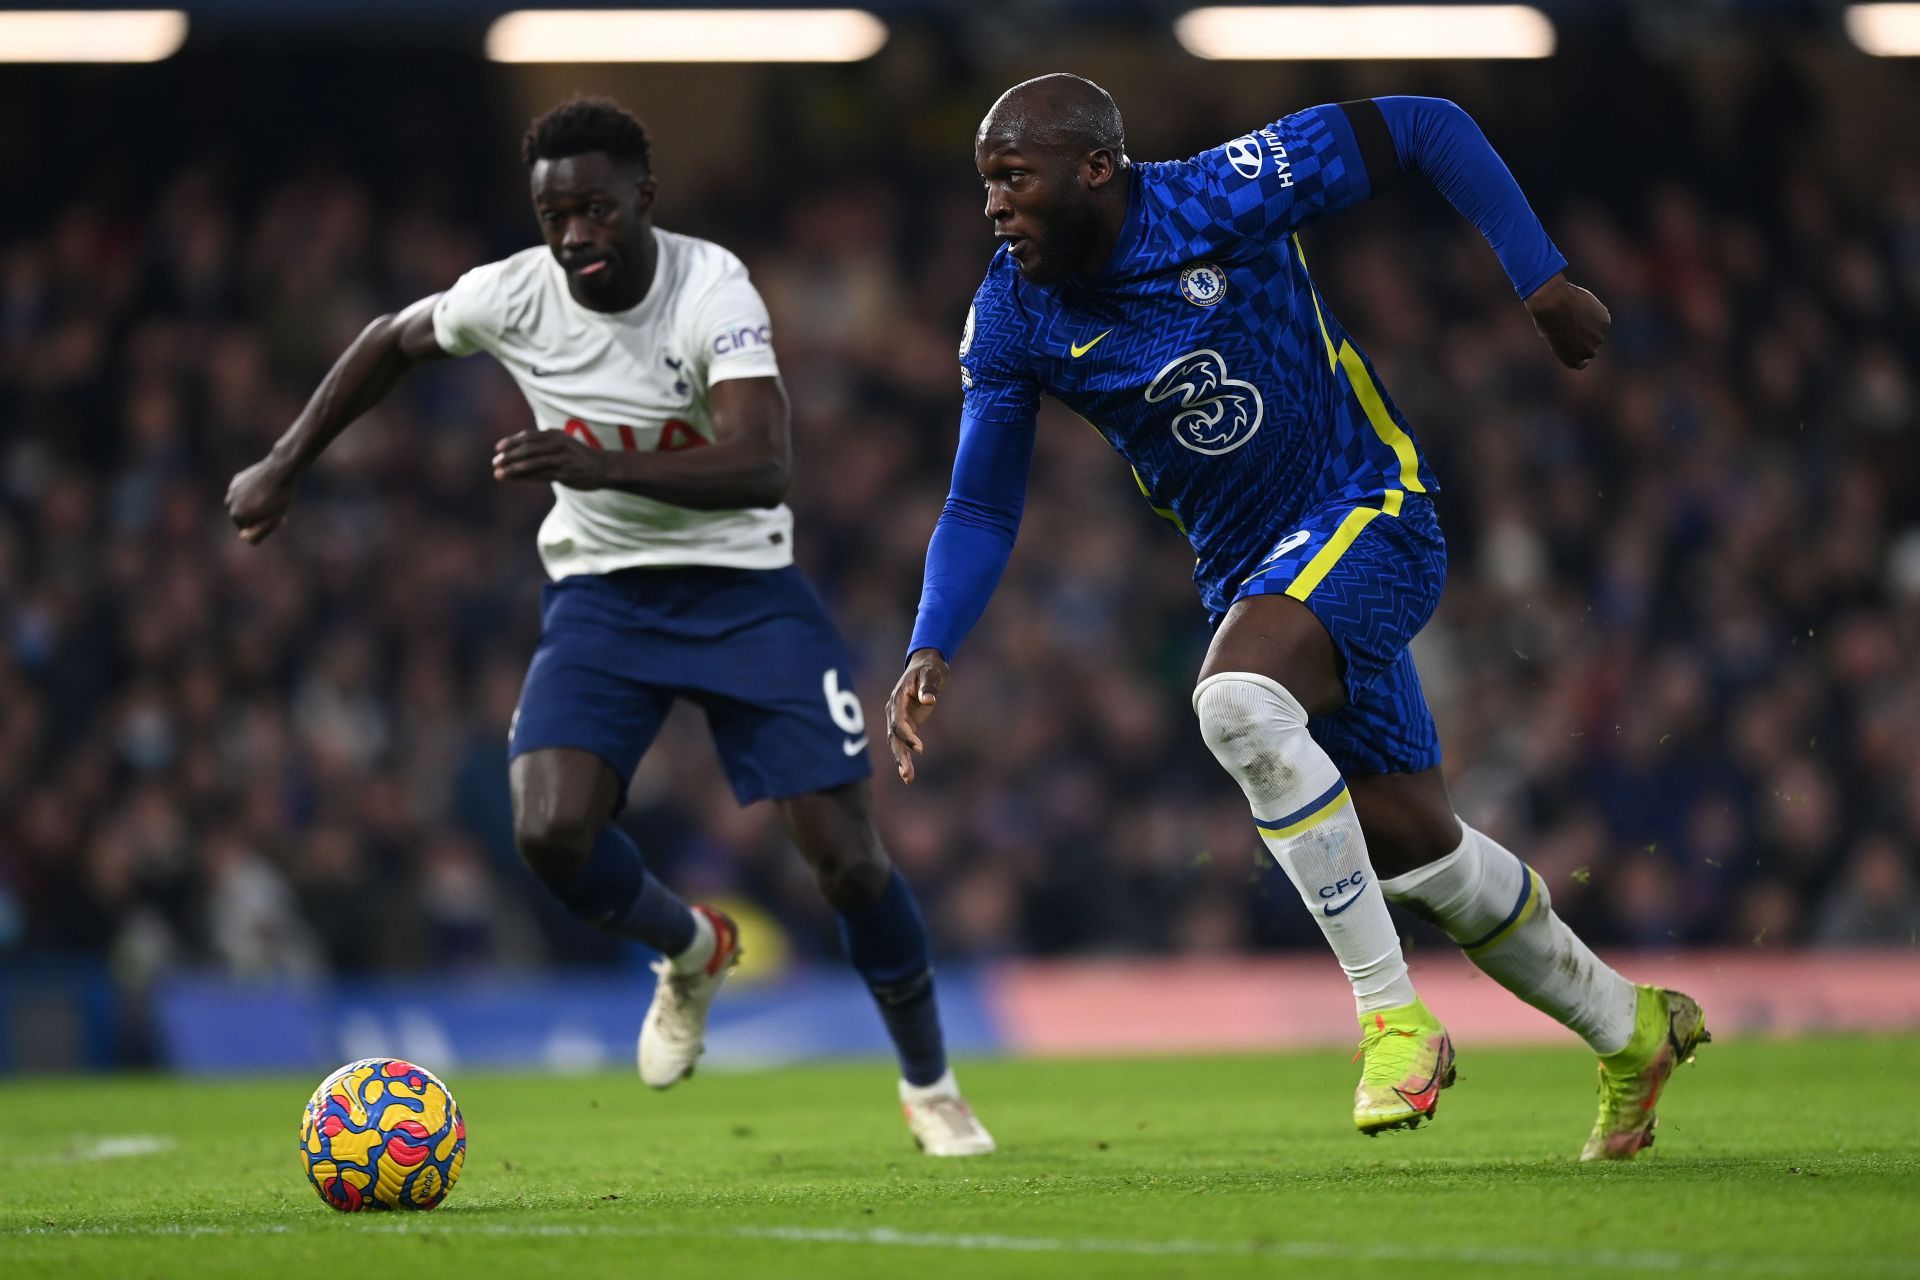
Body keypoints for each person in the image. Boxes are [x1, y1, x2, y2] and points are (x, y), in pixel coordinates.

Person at [887, 74, 1705, 1159]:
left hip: (1373, 511)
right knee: (1421, 849)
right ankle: (1630, 1027)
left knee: (1235, 700)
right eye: (984, 182)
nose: (992, 205)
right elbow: (982, 501)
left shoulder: (1222, 193)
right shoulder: (1014, 312)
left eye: (1012, 176)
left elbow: (1424, 126)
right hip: (1255, 577)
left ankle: (1392, 1017)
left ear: (1095, 168)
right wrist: (931, 642)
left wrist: (1539, 274)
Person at [226, 96, 993, 1157]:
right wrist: (284, 460)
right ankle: (690, 946)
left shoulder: (710, 285)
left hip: (745, 592)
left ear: (644, 198)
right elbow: (388, 340)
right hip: (603, 594)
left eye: (595, 209)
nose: (576, 234)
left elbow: (764, 461)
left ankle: (931, 1083)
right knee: (546, 830)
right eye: (555, 214)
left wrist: (600, 463)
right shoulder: (514, 293)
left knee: (848, 863)